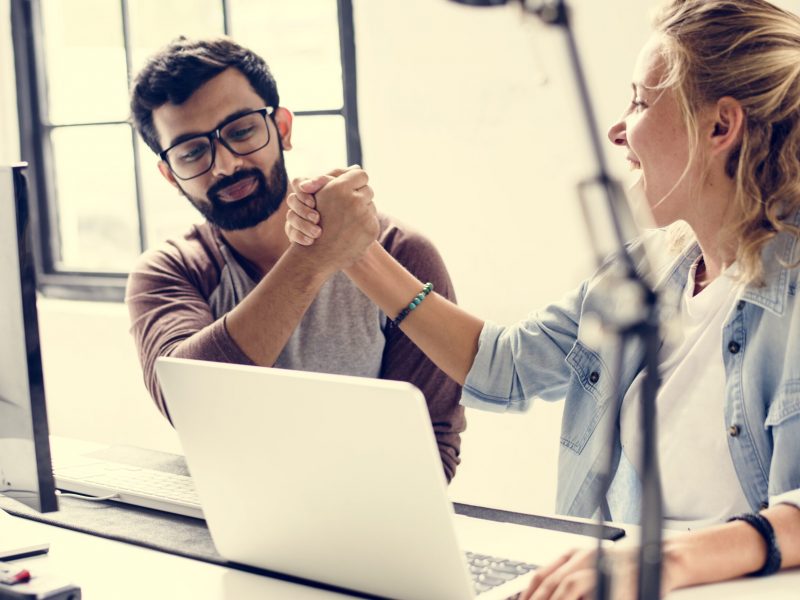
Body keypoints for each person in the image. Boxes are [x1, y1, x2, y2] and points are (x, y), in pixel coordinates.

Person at [285, 0, 800, 596]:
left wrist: (667, 560)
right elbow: (504, 366)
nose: (618, 130)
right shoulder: (647, 271)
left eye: (639, 102)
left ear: (719, 127)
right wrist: (355, 251)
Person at [125, 37, 465, 481]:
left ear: (282, 128)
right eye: (192, 152)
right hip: (228, 517)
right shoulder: (170, 271)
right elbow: (187, 402)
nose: (225, 165)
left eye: (241, 131)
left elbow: (431, 446)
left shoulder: (399, 252)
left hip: (371, 513)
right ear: (170, 175)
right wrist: (314, 256)